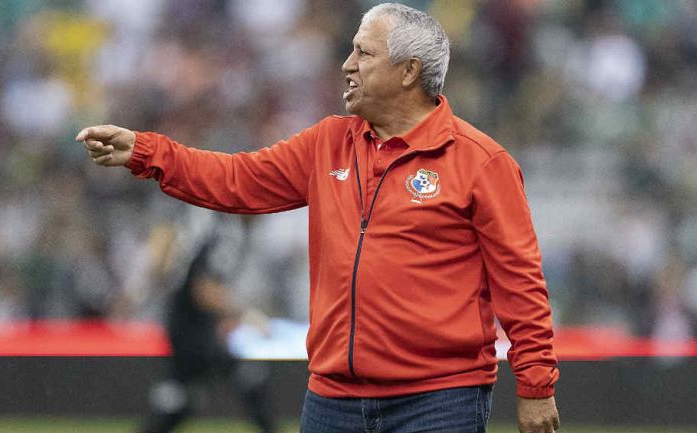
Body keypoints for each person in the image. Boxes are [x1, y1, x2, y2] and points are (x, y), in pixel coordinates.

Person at [77, 3, 560, 433]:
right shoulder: (327, 142)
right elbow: (235, 179)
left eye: (364, 54)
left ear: (410, 71)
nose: (347, 65)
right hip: (333, 399)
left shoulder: (480, 161)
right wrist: (146, 151)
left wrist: (536, 385)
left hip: (438, 401)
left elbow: (520, 282)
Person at [138, 211, 276, 433]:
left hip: (189, 325)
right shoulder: (227, 235)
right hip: (191, 330)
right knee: (249, 377)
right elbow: (203, 289)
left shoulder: (223, 230)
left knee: (179, 398)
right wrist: (246, 315)